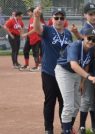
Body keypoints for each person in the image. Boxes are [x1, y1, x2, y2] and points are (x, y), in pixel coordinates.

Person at [33, 6, 73, 134]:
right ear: (52, 19)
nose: (59, 20)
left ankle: (64, 127)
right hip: (49, 72)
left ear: (65, 19)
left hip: (65, 73)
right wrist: (36, 16)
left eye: (62, 18)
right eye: (56, 18)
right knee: (50, 101)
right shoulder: (48, 30)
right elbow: (37, 28)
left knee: (63, 101)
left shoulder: (67, 33)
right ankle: (48, 129)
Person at [55, 28, 95, 134]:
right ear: (84, 36)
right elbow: (74, 65)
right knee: (69, 104)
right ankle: (66, 131)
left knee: (76, 104)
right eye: (89, 38)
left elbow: (86, 64)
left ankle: (68, 128)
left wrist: (82, 82)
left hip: (77, 74)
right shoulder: (75, 46)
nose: (91, 41)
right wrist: (89, 77)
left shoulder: (90, 49)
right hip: (64, 71)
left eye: (94, 40)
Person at [70, 3, 95, 133]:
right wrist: (77, 34)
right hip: (87, 69)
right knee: (86, 98)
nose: (93, 16)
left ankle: (94, 126)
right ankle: (82, 126)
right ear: (85, 15)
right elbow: (85, 43)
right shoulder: (85, 28)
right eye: (90, 14)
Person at [19, 7, 44, 71]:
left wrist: (25, 34)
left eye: (29, 11)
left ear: (33, 12)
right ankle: (26, 65)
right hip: (30, 38)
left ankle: (37, 66)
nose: (28, 13)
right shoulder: (31, 19)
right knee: (25, 50)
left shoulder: (35, 19)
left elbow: (35, 30)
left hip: (35, 38)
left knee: (35, 52)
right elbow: (30, 28)